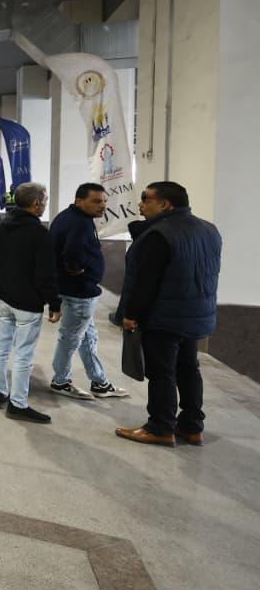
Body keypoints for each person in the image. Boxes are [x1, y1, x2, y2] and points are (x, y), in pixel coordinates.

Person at [116, 182, 222, 447]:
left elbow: (146, 281)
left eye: (146, 199)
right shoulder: (209, 229)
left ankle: (160, 427)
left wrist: (131, 314)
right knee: (189, 369)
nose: (141, 204)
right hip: (195, 313)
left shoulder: (159, 234)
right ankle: (191, 427)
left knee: (162, 372)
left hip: (164, 316)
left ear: (164, 204)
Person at [0, 182, 61, 422]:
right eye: (44, 201)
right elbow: (46, 273)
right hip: (28, 303)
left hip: (3, 298)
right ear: (36, 204)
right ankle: (18, 403)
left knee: (1, 346)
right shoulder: (39, 233)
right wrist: (54, 303)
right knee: (24, 354)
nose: (45, 205)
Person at [49, 183, 129, 400]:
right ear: (79, 201)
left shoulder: (68, 217)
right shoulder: (80, 223)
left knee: (87, 337)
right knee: (71, 338)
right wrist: (75, 268)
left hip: (75, 290)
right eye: (96, 201)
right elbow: (72, 252)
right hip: (78, 292)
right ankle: (60, 381)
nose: (102, 205)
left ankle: (99, 382)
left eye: (104, 201)